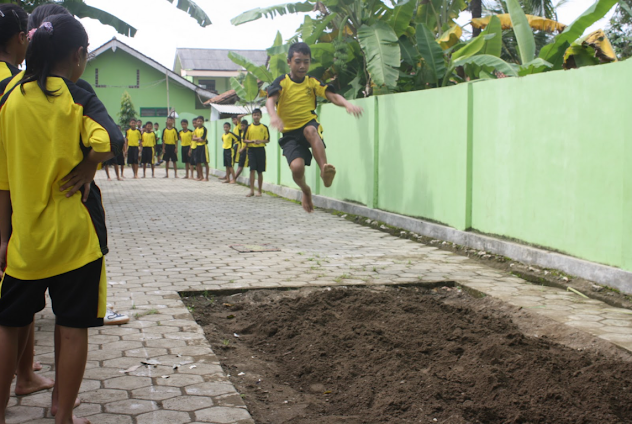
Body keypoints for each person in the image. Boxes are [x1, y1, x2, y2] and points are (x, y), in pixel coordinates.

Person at [0, 14, 124, 424]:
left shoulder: (9, 97)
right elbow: (111, 139)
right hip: (75, 238)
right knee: (72, 326)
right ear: (78, 54)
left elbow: (1, 180)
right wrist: (89, 165)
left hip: (25, 241)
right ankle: (62, 416)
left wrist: (4, 237)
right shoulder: (75, 95)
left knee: (10, 324)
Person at [266, 42, 363, 212]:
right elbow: (270, 100)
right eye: (298, 61)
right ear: (289, 62)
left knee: (310, 130)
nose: (302, 66)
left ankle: (324, 170)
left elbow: (332, 96)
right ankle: (306, 190)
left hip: (308, 125)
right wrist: (274, 116)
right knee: (297, 168)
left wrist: (347, 104)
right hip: (289, 134)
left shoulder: (312, 82)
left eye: (306, 61)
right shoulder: (282, 81)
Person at [243, 109, 270, 197]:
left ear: (261, 116)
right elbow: (244, 139)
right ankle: (251, 190)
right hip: (251, 150)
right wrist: (251, 141)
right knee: (252, 170)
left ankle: (259, 191)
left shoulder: (264, 127)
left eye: (258, 115)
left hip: (261, 150)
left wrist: (260, 141)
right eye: (254, 115)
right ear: (252, 116)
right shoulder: (248, 127)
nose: (256, 117)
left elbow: (268, 140)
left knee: (260, 171)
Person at [192, 116, 209, 181]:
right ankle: (201, 176)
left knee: (205, 162)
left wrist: (198, 138)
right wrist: (198, 138)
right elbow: (193, 138)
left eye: (200, 121)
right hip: (197, 147)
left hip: (203, 147)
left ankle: (206, 177)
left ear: (203, 122)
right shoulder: (196, 130)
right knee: (198, 162)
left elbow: (202, 139)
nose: (199, 122)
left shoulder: (204, 129)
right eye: (198, 121)